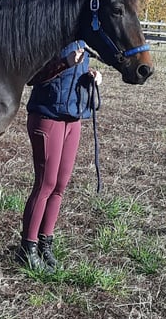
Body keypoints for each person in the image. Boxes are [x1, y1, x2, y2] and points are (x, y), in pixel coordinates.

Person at [15, 40, 102, 272]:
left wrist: (92, 76)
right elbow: (32, 77)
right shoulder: (51, 38)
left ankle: (45, 244)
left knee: (60, 185)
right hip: (47, 116)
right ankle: (27, 248)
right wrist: (64, 63)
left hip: (73, 118)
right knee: (46, 183)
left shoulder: (84, 42)